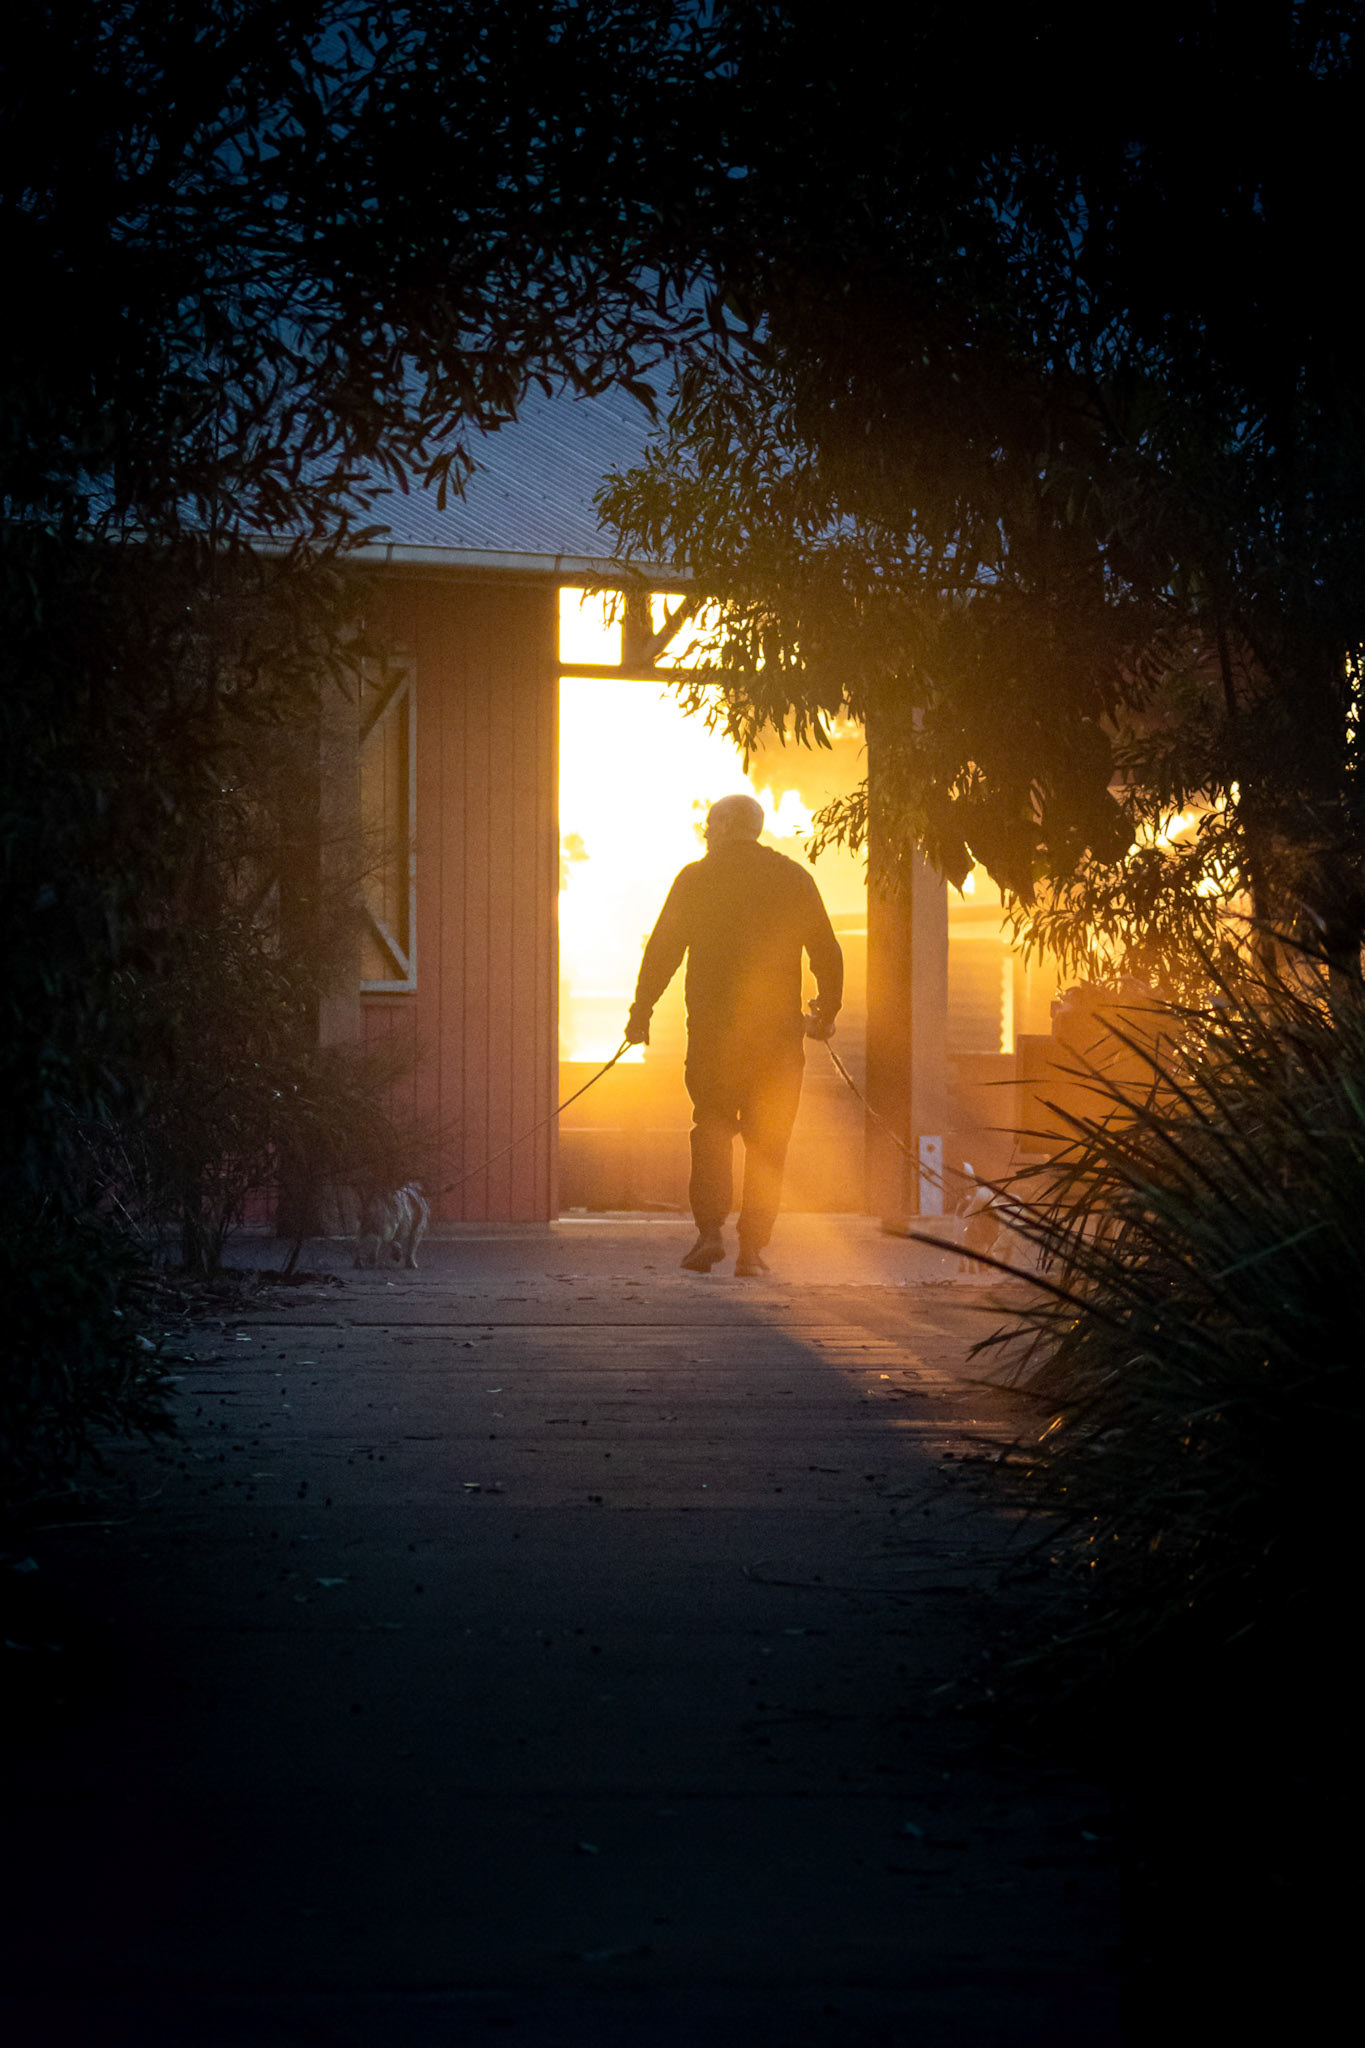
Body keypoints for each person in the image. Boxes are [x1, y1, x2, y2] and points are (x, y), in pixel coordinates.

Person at [625, 792, 844, 1276]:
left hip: (713, 1038)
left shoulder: (696, 879)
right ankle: (753, 1251)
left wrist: (642, 1012)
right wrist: (825, 1011)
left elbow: (663, 949)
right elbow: (827, 951)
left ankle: (708, 1235)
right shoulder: (792, 878)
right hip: (778, 1042)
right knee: (769, 1144)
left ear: (725, 826)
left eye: (709, 824)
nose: (705, 832)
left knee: (711, 1130)